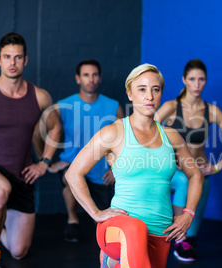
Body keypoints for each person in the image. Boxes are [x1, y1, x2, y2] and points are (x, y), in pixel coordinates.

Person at [65, 63, 203, 268]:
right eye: (142, 89)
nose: (150, 96)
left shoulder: (171, 136)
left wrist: (188, 214)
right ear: (130, 93)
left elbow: (195, 175)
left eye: (155, 90)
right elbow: (73, 173)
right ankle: (112, 256)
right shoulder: (113, 133)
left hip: (160, 231)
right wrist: (96, 212)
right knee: (135, 228)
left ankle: (114, 264)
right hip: (119, 228)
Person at [0, 32, 62, 267]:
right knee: (0, 191)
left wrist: (44, 163)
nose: (12, 63)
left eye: (17, 57)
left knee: (19, 251)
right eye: (7, 57)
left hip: (23, 177)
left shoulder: (40, 96)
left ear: (26, 60)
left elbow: (55, 128)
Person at [155, 59, 222, 262]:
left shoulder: (211, 111)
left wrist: (217, 168)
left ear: (206, 81)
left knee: (190, 236)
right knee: (176, 232)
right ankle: (177, 238)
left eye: (201, 79)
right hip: (171, 173)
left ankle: (183, 239)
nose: (197, 84)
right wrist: (168, 159)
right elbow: (147, 134)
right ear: (184, 80)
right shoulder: (171, 107)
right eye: (192, 79)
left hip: (199, 176)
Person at [47, 59, 124, 243]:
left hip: (101, 172)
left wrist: (116, 169)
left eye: (94, 75)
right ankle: (72, 220)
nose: (91, 79)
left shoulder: (113, 107)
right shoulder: (63, 106)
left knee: (107, 227)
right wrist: (46, 162)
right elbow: (38, 131)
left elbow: (124, 141)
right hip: (72, 165)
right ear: (78, 78)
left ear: (100, 78)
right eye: (86, 75)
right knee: (69, 180)